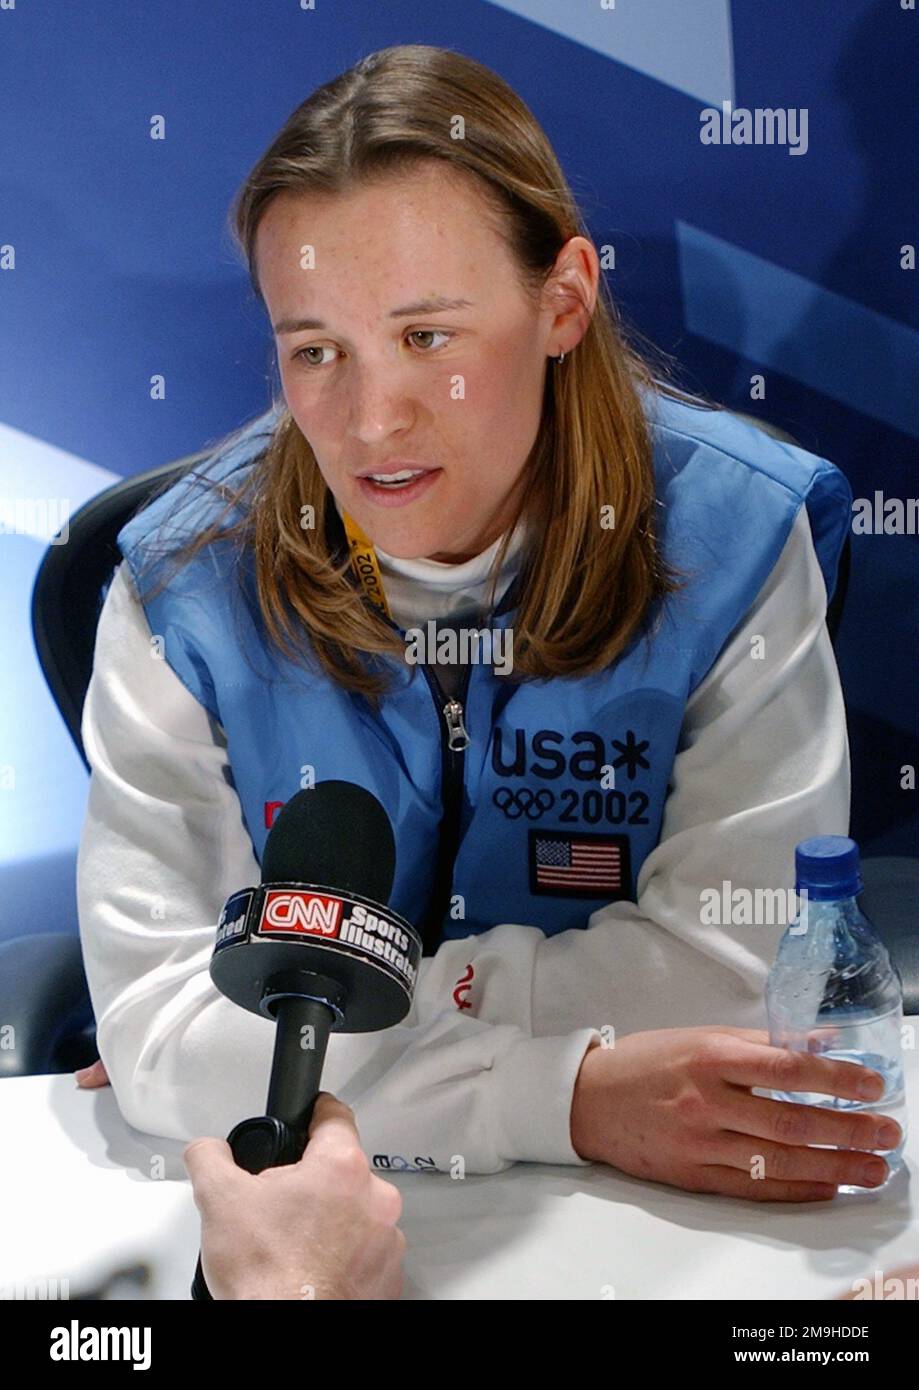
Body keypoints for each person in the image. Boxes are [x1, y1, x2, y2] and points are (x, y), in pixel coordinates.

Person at [76, 42, 900, 1225]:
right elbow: (160, 1033)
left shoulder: (736, 532)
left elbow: (728, 972)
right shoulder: (180, 578)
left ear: (560, 303)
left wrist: (325, 1029)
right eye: (316, 350)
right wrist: (563, 1093)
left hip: (660, 1226)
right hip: (304, 1210)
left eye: (428, 338)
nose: (370, 421)